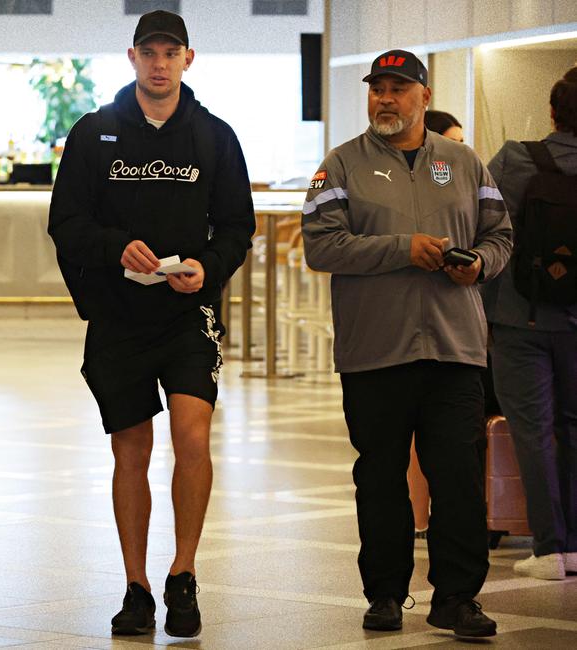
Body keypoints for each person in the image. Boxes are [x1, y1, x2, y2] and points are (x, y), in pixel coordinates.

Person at [48, 10, 255, 637]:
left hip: (189, 313)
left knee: (193, 436)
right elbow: (67, 224)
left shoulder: (215, 137)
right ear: (132, 58)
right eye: (149, 52)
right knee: (129, 450)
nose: (160, 63)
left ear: (188, 59)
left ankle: (182, 574)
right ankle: (136, 586)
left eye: (172, 53)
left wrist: (208, 266)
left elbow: (238, 227)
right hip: (118, 317)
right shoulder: (94, 133)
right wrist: (116, 247)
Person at [301, 49, 512, 637]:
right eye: (377, 89)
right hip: (376, 351)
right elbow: (321, 245)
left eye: (397, 89)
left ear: (424, 96)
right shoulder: (342, 165)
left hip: (454, 351)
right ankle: (386, 595)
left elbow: (500, 235)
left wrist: (481, 266)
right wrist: (402, 248)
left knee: (458, 477)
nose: (384, 99)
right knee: (381, 477)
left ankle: (457, 599)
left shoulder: (465, 163)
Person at [482, 66, 577, 580]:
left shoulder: (517, 158)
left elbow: (482, 227)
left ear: (551, 111)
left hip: (522, 318)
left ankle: (548, 549)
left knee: (533, 430)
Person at [408, 109, 466, 539]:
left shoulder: (464, 174)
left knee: (450, 447)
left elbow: (498, 237)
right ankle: (415, 517)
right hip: (395, 336)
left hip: (453, 335)